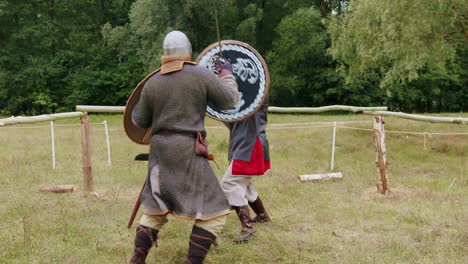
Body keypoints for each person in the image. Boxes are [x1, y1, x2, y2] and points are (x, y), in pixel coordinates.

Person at [129, 30, 239, 264]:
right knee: (215, 210)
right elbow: (230, 100)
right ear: (188, 52)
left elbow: (138, 121)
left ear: (164, 54)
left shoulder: (153, 82)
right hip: (188, 150)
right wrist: (227, 73)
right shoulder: (200, 74)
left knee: (155, 209)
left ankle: (136, 260)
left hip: (159, 152)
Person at [221, 96, 271, 243]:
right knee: (244, 182)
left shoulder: (255, 95)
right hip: (245, 144)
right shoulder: (240, 99)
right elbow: (232, 121)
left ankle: (248, 228)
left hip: (249, 146)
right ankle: (262, 215)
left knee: (229, 184)